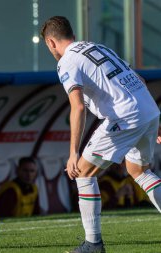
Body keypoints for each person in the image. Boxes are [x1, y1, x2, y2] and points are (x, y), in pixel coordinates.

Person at [41, 16, 161, 253]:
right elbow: (139, 78)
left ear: (51, 43)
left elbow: (77, 107)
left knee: (83, 172)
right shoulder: (97, 47)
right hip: (147, 109)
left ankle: (93, 244)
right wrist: (149, 119)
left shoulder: (67, 61)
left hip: (125, 117)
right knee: (139, 171)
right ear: (72, 35)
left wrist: (73, 152)